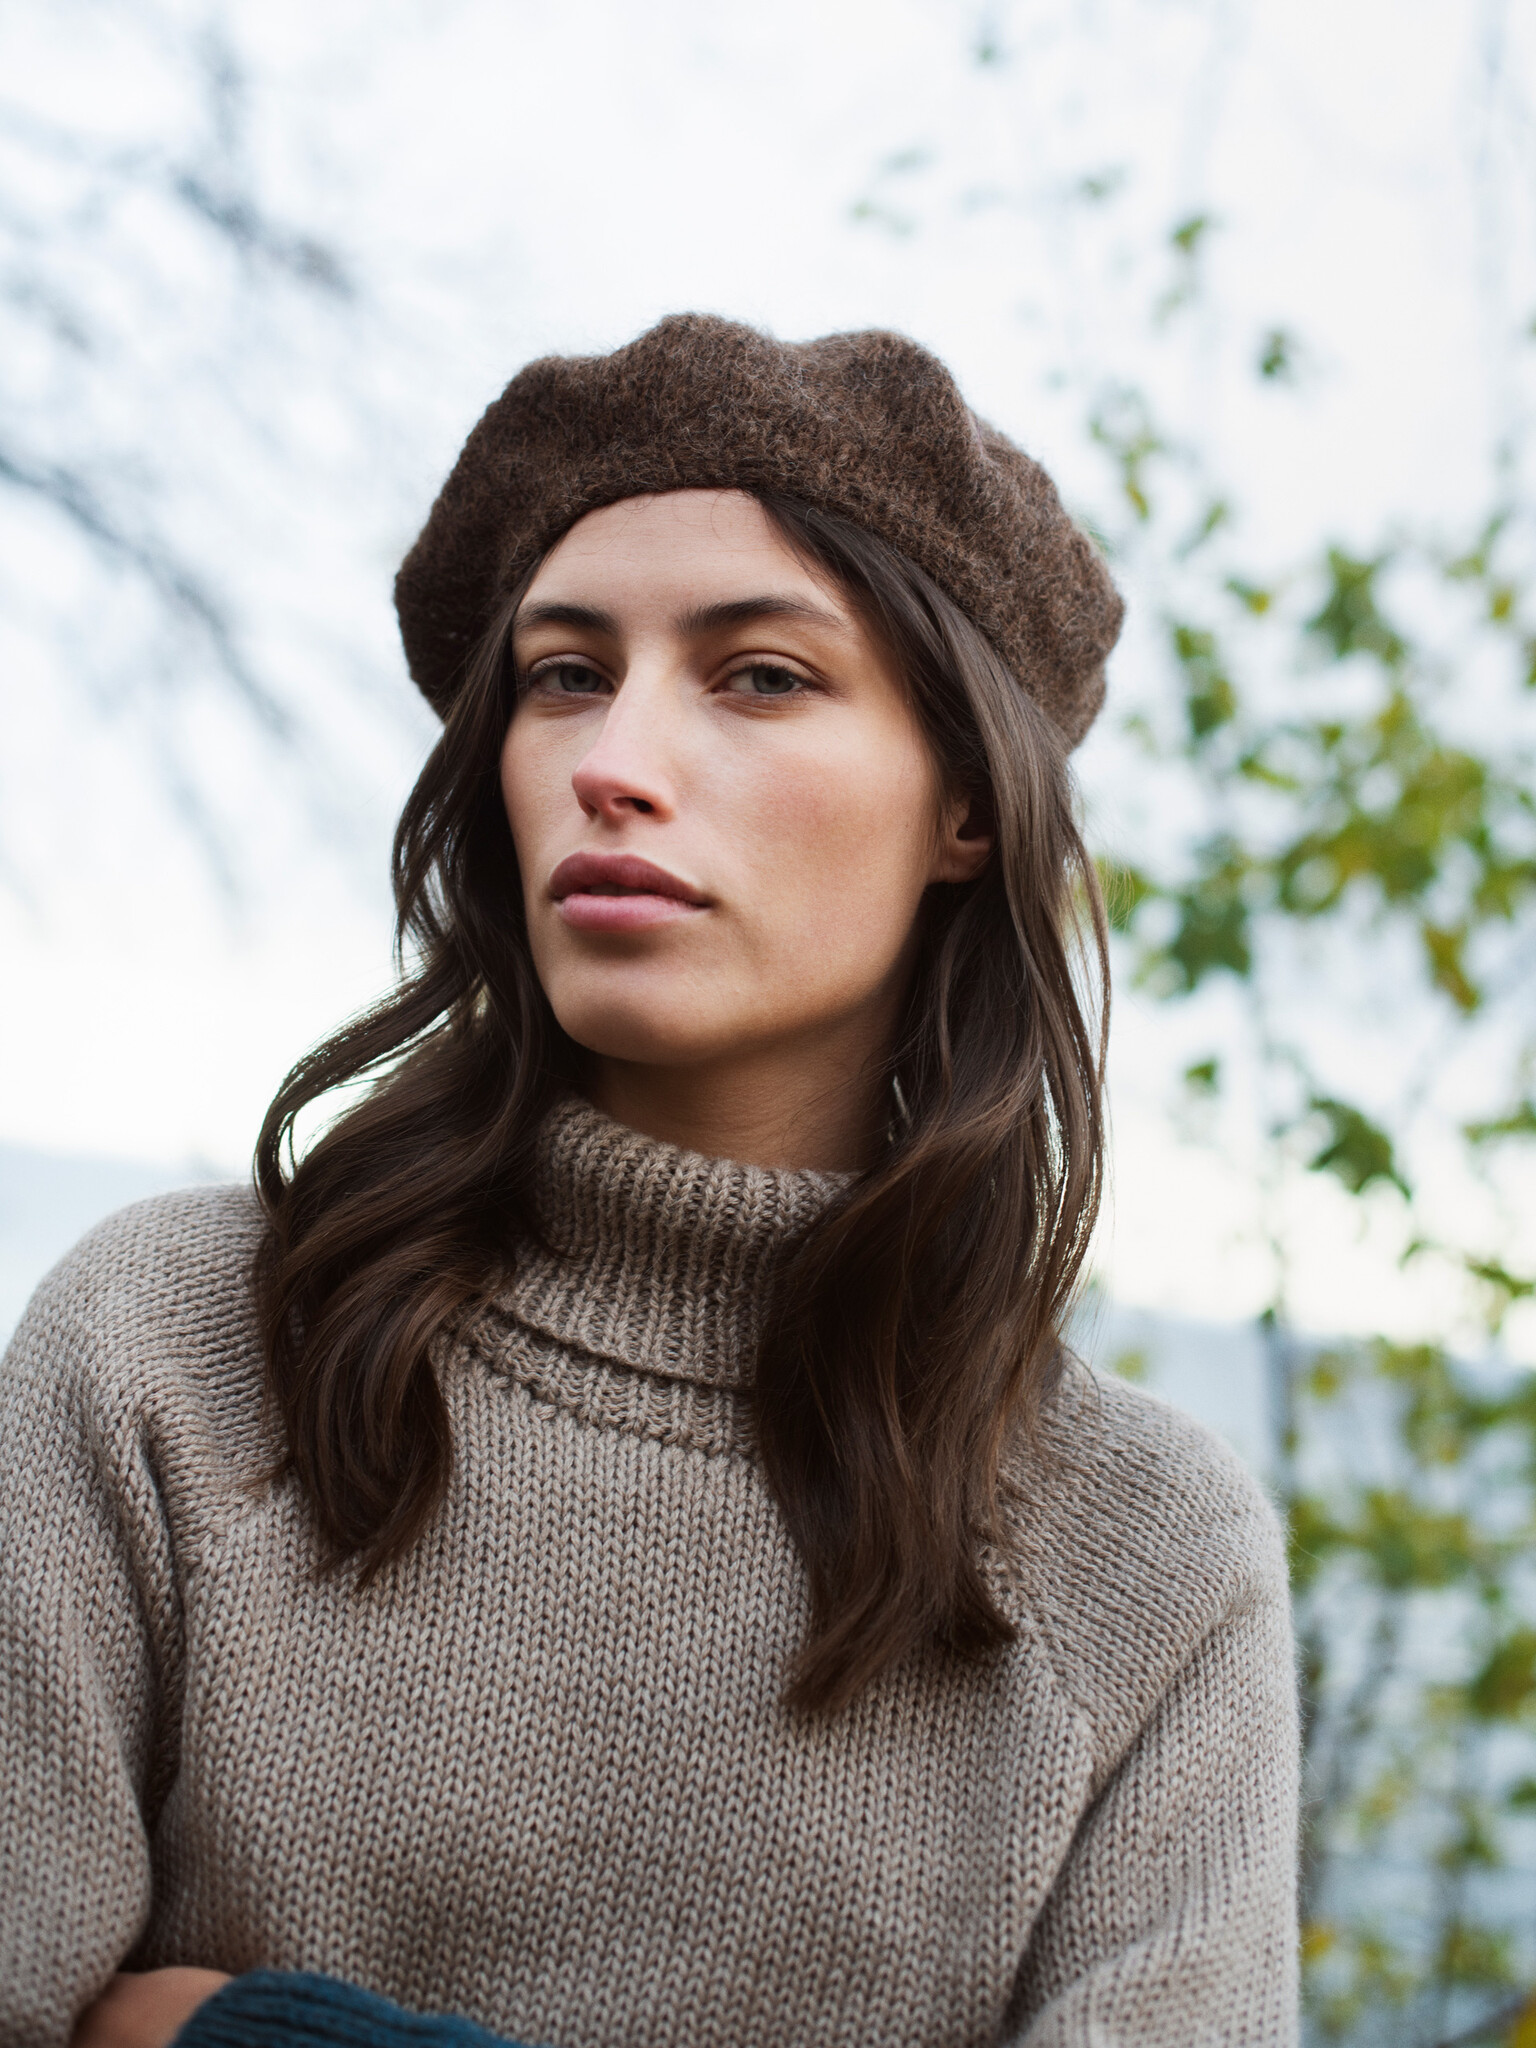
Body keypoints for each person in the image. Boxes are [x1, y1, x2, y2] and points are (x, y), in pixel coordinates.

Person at [2, 314, 1300, 2048]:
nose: (613, 760)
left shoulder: (1145, 1553)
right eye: (564, 675)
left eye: (760, 676)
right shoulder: (176, 1345)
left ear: (966, 808)